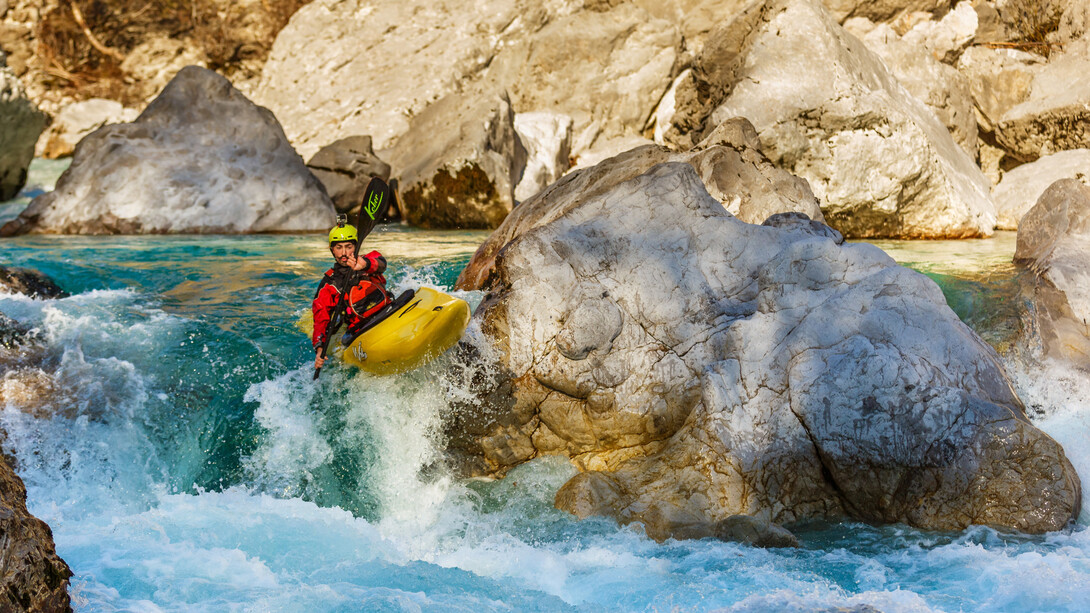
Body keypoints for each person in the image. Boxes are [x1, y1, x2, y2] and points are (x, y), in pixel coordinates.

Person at [312, 219, 391, 370]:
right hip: (361, 329)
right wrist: (320, 349)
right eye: (338, 247)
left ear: (356, 246)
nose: (344, 253)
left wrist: (365, 265)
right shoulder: (329, 284)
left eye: (348, 247)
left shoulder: (368, 260)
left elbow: (382, 263)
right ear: (332, 250)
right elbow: (321, 317)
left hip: (387, 312)